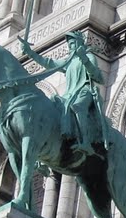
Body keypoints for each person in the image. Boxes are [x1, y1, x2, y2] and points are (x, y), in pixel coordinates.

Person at [21, 30, 107, 160]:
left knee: (77, 106)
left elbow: (98, 77)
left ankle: (85, 143)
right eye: (69, 44)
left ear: (79, 43)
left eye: (72, 43)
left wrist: (84, 59)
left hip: (85, 90)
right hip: (69, 94)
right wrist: (30, 52)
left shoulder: (89, 57)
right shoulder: (69, 62)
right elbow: (49, 63)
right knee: (53, 107)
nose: (69, 47)